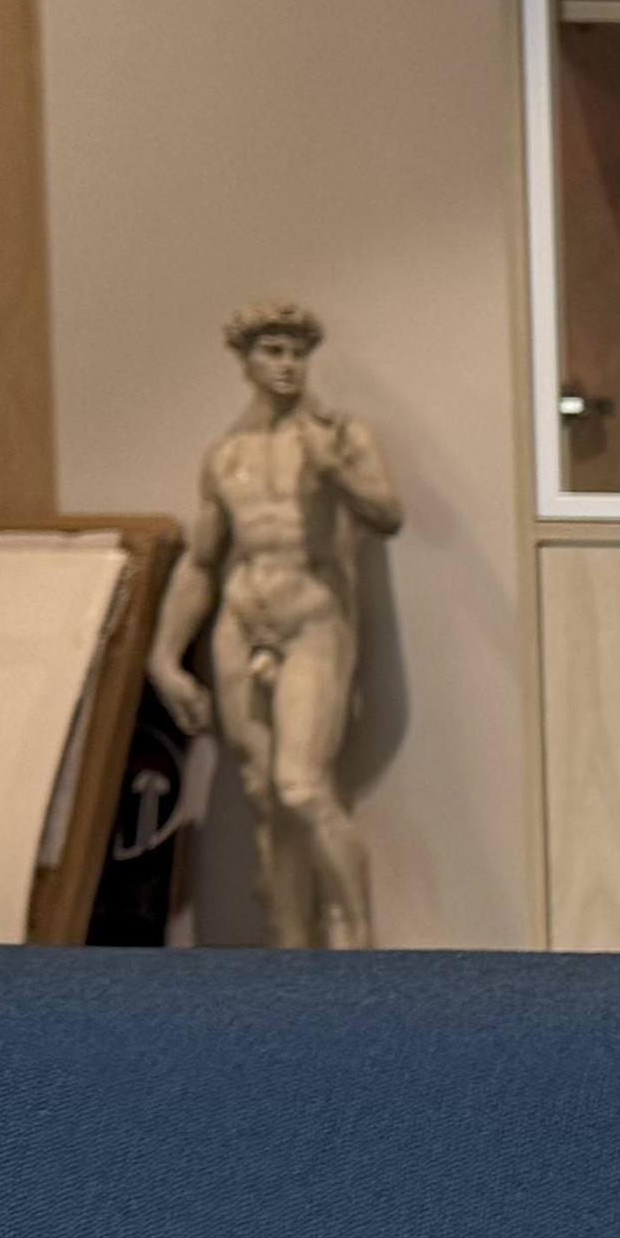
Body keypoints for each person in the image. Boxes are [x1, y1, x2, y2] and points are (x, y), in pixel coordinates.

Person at [144, 298, 399, 951]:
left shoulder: (337, 435)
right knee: (262, 793)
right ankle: (289, 951)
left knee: (301, 786)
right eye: (273, 351)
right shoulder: (225, 456)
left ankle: (356, 943)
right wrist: (165, 657)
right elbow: (201, 564)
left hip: (311, 616)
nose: (287, 366)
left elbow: (387, 514)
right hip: (240, 619)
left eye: (297, 353)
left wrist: (334, 471)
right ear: (246, 360)